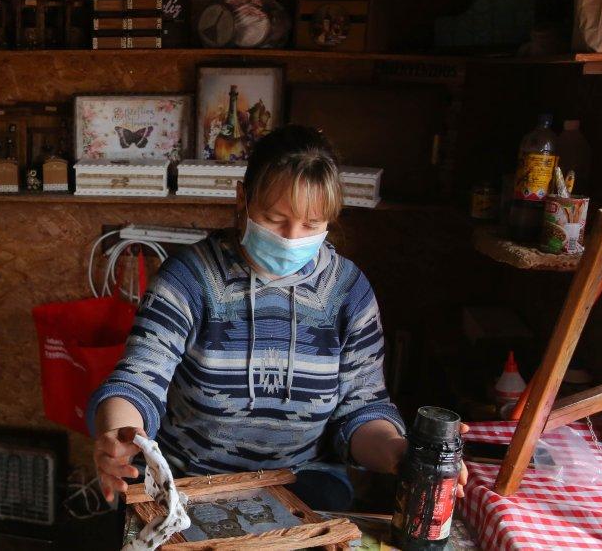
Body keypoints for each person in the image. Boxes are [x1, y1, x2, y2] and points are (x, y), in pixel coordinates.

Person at [88, 125, 466, 511]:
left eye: (311, 225)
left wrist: (399, 452)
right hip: (191, 477)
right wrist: (119, 434)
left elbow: (361, 407)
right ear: (243, 200)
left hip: (303, 477)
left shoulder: (348, 291)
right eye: (273, 218)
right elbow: (139, 378)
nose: (290, 238)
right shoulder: (190, 279)